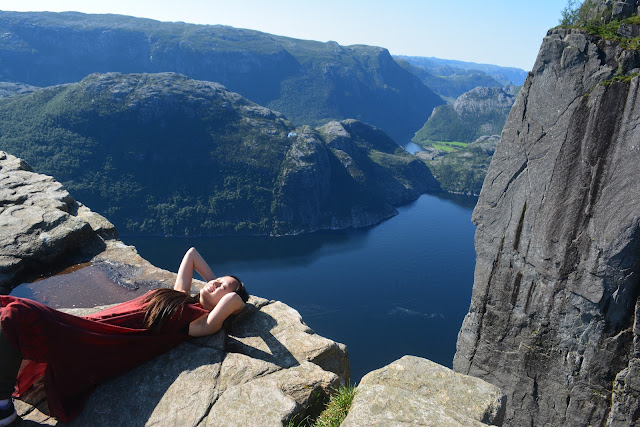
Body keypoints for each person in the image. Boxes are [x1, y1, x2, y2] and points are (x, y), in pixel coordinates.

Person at [0, 247, 248, 425]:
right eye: (218, 280)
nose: (216, 284)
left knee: (17, 313)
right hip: (90, 324)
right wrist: (213, 283)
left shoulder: (199, 323)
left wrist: (228, 295)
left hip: (97, 339)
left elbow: (236, 300)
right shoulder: (180, 295)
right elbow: (192, 254)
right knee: (8, 309)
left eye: (223, 288)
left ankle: (3, 408)